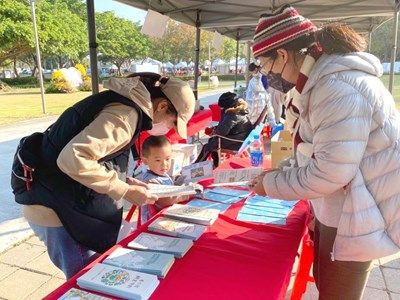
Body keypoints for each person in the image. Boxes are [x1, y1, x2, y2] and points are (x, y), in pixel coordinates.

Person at [249, 5, 400, 300]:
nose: (270, 77)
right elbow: (314, 149)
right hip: (345, 205)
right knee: (327, 283)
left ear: (282, 55)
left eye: (267, 68)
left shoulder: (337, 86)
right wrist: (283, 171)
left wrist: (271, 185)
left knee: (337, 292)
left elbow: (330, 172)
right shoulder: (318, 82)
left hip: (361, 211)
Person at [11, 72, 195, 279]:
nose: (169, 128)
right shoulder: (125, 115)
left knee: (91, 276)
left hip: (62, 201)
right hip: (60, 211)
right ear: (161, 106)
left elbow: (98, 157)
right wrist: (124, 190)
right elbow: (73, 158)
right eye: (172, 122)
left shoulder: (123, 104)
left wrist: (125, 181)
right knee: (87, 279)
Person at [138, 135, 188, 223]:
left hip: (166, 216)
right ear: (145, 161)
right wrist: (188, 193)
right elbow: (166, 200)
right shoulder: (150, 181)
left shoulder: (162, 174)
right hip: (154, 222)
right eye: (158, 160)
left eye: (167, 159)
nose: (164, 164)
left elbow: (169, 189)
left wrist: (177, 184)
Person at [195, 92, 253, 167]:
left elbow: (221, 132)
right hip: (241, 137)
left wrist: (213, 131)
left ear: (226, 107)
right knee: (213, 141)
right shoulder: (239, 110)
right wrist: (214, 129)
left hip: (237, 142)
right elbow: (225, 127)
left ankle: (196, 166)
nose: (220, 109)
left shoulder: (232, 115)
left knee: (208, 146)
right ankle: (216, 164)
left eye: (221, 107)